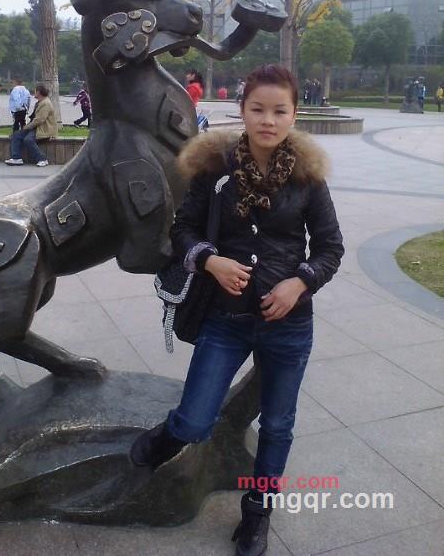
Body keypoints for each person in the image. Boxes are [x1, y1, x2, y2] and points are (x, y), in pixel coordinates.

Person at [131, 63, 344, 556]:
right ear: (243, 111)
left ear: (294, 115)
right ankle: (169, 435)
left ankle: (257, 513)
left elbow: (330, 247)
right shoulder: (216, 169)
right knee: (195, 422)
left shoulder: (308, 179)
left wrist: (300, 282)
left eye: (280, 111)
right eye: (258, 109)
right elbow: (182, 230)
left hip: (288, 324)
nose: (268, 120)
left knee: (278, 426)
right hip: (225, 320)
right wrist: (210, 260)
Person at [5, 83, 57, 167]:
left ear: (39, 92)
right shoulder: (40, 102)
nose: (34, 92)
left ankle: (42, 159)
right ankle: (16, 158)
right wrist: (26, 128)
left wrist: (26, 127)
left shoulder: (46, 103)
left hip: (42, 128)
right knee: (16, 135)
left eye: (35, 91)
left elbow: (39, 120)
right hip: (36, 127)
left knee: (28, 140)